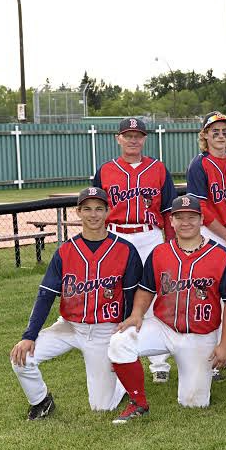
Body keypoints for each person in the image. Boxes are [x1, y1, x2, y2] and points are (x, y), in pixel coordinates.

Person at [107, 195, 226, 423]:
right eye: (179, 218)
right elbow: (146, 288)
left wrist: (225, 345)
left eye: (192, 217)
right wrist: (137, 314)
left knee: (194, 403)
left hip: (200, 336)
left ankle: (190, 374)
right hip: (163, 327)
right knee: (120, 341)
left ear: (202, 219)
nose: (186, 222)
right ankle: (138, 402)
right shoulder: (160, 252)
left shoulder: (220, 254)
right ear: (171, 221)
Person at [10, 188, 142, 419]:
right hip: (68, 326)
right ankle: (41, 401)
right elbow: (46, 295)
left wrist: (123, 337)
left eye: (99, 209)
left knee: (102, 407)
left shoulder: (126, 250)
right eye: (87, 209)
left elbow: (132, 296)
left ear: (108, 212)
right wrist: (29, 335)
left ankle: (118, 372)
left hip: (104, 330)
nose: (93, 215)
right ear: (78, 212)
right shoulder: (65, 251)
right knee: (21, 357)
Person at [93, 117, 176, 383]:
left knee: (154, 292)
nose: (133, 139)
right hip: (116, 234)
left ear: (144, 139)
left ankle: (159, 363)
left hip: (149, 234)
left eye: (138, 135)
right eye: (128, 135)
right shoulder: (105, 170)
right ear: (118, 138)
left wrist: (170, 244)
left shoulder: (158, 169)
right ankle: (117, 355)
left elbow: (168, 211)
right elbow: (95, 211)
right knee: (114, 292)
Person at [186, 111, 226, 378]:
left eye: (225, 131)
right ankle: (206, 358)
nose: (221, 135)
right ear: (205, 136)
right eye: (215, 131)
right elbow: (200, 207)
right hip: (212, 235)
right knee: (207, 296)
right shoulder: (198, 165)